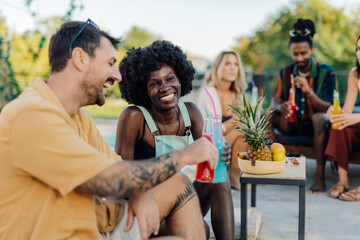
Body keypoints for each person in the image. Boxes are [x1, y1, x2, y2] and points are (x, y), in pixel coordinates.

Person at [0, 20, 219, 240]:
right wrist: (185, 155)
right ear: (80, 59)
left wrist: (138, 190)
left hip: (101, 227)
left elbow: (119, 168)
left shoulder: (79, 118)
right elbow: (111, 180)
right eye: (110, 63)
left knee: (178, 183)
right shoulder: (31, 115)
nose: (117, 75)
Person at [116, 40, 235, 240]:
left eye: (170, 79)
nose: (165, 87)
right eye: (154, 84)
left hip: (181, 199)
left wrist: (221, 154)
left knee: (218, 176)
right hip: (146, 207)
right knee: (202, 231)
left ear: (181, 79)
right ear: (143, 90)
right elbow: (120, 180)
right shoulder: (134, 117)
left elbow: (210, 161)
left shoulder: (190, 112)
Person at [268, 18, 337, 194]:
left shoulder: (327, 72)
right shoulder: (285, 72)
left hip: (318, 127)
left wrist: (309, 91)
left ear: (311, 50)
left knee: (319, 118)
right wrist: (280, 106)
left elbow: (329, 107)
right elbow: (274, 100)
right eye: (295, 54)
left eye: (303, 53)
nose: (299, 58)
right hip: (292, 124)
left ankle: (319, 175)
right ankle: (273, 167)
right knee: (267, 114)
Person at [197, 51, 249, 190]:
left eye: (236, 64)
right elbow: (207, 131)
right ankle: (234, 176)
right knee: (242, 128)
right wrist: (235, 120)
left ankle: (235, 174)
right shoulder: (207, 92)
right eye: (228, 64)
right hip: (210, 143)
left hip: (227, 143)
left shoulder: (237, 94)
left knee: (245, 130)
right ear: (218, 67)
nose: (233, 68)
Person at [325, 36, 360, 201]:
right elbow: (347, 110)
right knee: (339, 124)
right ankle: (343, 181)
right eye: (358, 49)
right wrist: (334, 111)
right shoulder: (355, 74)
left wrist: (357, 117)